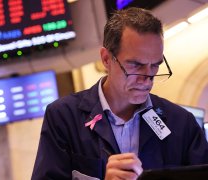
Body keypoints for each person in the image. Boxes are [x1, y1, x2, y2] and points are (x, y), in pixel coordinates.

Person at [31, 7, 208, 180]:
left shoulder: (182, 123)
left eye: (155, 65)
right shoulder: (64, 117)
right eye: (136, 65)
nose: (147, 79)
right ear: (106, 59)